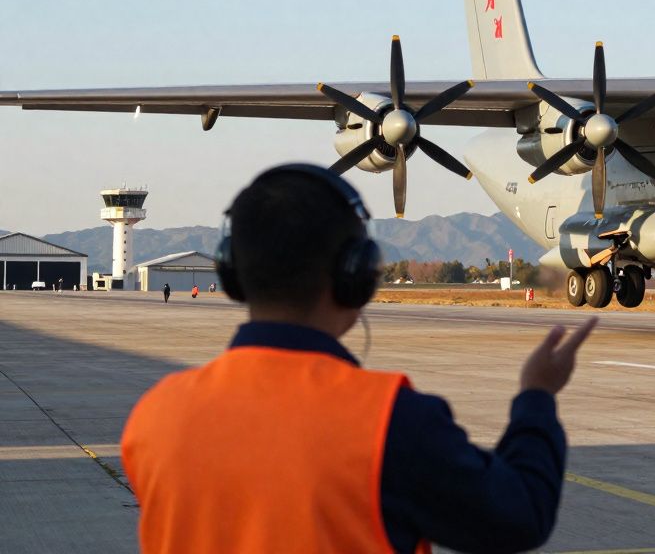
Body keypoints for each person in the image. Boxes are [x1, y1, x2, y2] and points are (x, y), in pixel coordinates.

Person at [121, 164, 598, 553]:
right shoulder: (390, 421)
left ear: (232, 273)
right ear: (357, 275)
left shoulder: (154, 416)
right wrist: (536, 398)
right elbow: (518, 517)